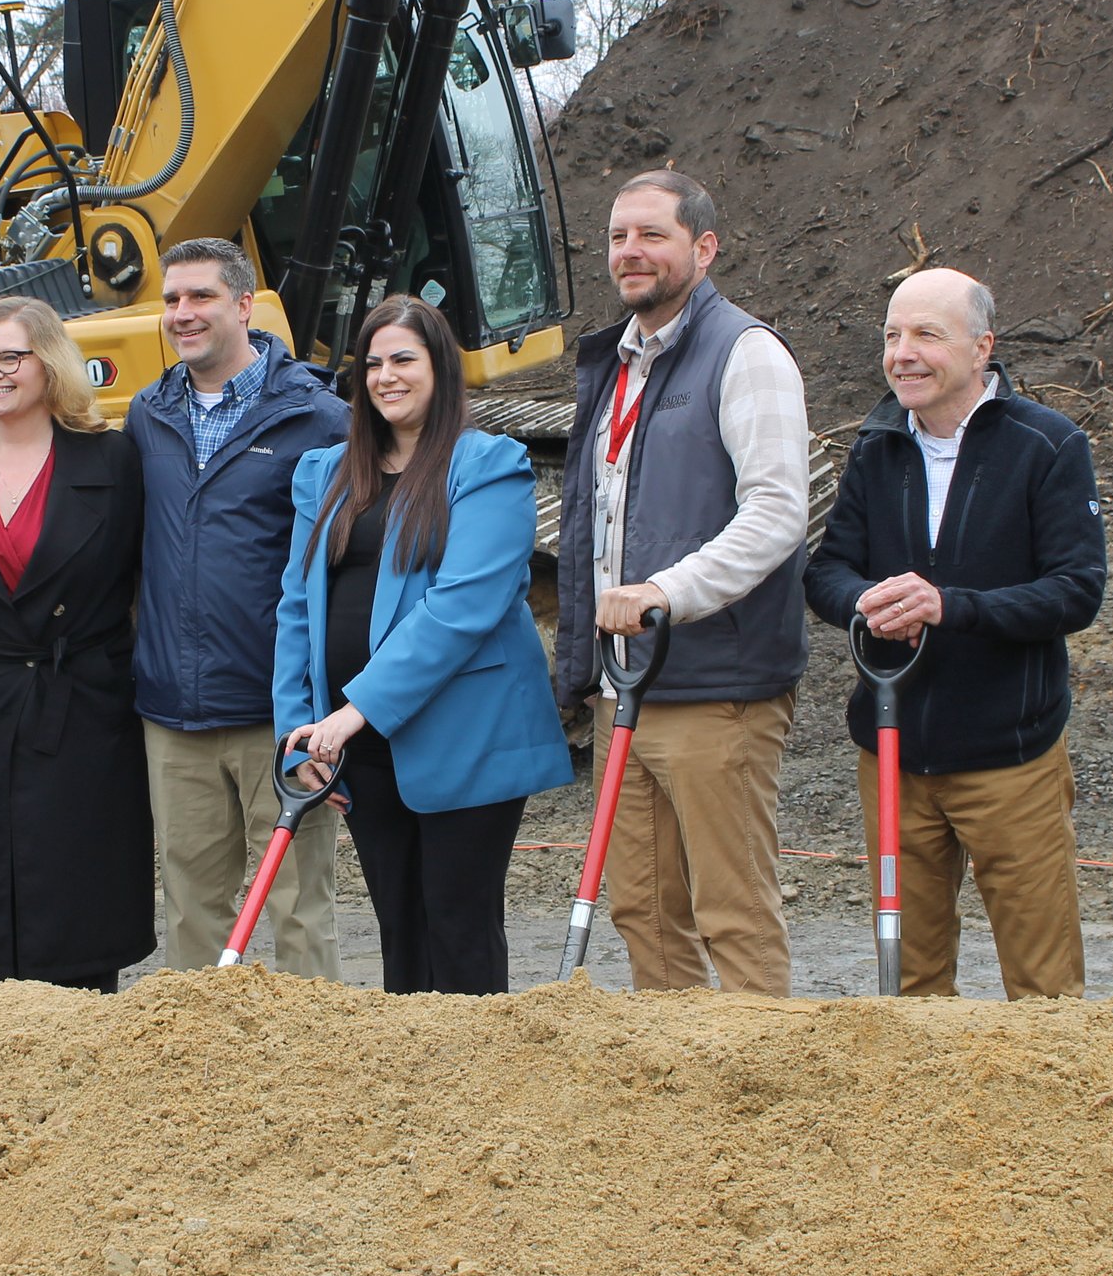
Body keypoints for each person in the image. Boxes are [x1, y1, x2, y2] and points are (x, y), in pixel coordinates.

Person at [804, 268, 1107, 998]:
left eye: (926, 335)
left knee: (1044, 981)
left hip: (1011, 756)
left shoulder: (1048, 446)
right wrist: (866, 599)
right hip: (892, 751)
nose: (902, 353)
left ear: (983, 349)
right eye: (892, 335)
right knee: (909, 978)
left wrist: (951, 606)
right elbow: (826, 571)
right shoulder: (877, 447)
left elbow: (1076, 591)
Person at [554, 169, 811, 995]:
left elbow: (775, 513)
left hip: (715, 685)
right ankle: (679, 1102)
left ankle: (764, 1096)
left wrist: (669, 591)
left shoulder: (747, 353)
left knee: (731, 911)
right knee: (643, 910)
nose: (631, 253)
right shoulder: (619, 364)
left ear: (703, 248)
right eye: (620, 237)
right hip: (627, 682)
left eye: (652, 235)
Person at [275, 295, 570, 995]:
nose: (385, 375)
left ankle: (477, 1090)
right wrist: (296, 728)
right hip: (362, 750)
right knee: (400, 927)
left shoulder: (488, 466)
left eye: (403, 358)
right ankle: (414, 1090)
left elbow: (463, 608)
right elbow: (295, 607)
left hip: (465, 736)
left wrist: (352, 711)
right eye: (372, 362)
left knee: (458, 924)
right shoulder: (324, 475)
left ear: (439, 366)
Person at [128, 237, 351, 978]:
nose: (182, 314)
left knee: (298, 906)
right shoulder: (148, 416)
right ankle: (198, 1071)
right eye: (171, 300)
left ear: (245, 305)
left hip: (276, 714)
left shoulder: (316, 417)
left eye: (201, 297)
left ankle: (311, 1073)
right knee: (192, 908)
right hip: (175, 716)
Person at [0, 297, 154, 991]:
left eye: (8, 357)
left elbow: (143, 573)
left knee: (76, 901)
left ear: (47, 361)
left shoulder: (112, 458)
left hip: (80, 703)